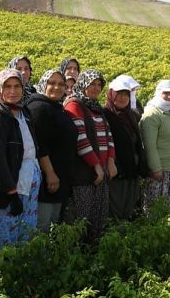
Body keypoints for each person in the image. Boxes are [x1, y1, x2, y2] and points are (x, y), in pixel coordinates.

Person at [0, 69, 43, 251]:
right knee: (1, 239)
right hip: (8, 188)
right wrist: (11, 192)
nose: (13, 91)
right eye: (7, 86)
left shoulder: (23, 113)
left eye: (17, 86)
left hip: (28, 180)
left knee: (24, 232)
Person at [63, 69, 116, 240]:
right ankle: (80, 251)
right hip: (84, 172)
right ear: (83, 84)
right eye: (92, 84)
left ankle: (95, 250)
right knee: (82, 218)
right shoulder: (74, 105)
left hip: (101, 170)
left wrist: (111, 160)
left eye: (99, 84)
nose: (96, 88)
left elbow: (108, 135)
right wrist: (95, 165)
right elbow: (80, 137)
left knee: (98, 216)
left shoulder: (95, 107)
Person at [26, 69, 76, 231]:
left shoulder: (57, 107)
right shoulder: (38, 107)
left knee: (55, 223)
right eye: (52, 83)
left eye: (61, 84)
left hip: (61, 175)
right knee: (43, 224)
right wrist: (50, 173)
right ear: (43, 84)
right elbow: (40, 144)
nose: (57, 87)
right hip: (48, 178)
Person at [104, 75, 149, 221]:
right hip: (117, 171)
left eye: (126, 94)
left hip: (132, 169)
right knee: (116, 208)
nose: (123, 98)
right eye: (119, 94)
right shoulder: (106, 115)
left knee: (129, 207)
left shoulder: (131, 115)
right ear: (112, 95)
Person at [140, 80, 170, 211]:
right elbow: (149, 146)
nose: (169, 96)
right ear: (158, 93)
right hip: (159, 169)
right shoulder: (152, 114)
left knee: (167, 206)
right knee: (153, 206)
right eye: (166, 93)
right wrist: (156, 169)